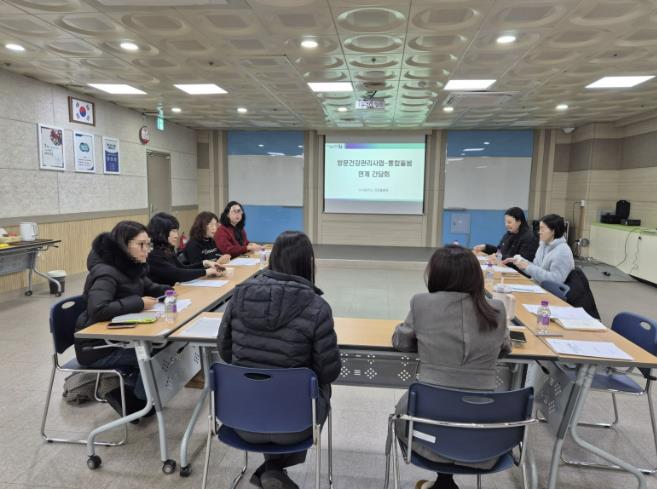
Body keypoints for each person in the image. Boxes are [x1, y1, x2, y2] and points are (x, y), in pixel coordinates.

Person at [217, 231, 341, 489]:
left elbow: (225, 352)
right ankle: (273, 468)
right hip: (296, 423)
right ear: (308, 263)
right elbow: (328, 372)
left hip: (240, 419)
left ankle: (272, 468)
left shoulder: (238, 296)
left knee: (265, 378)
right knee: (319, 387)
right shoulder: (317, 307)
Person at [392, 245, 511, 489]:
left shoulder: (422, 304)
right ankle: (445, 482)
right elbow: (505, 348)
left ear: (436, 274)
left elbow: (401, 342)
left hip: (424, 430)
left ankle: (443, 481)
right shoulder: (496, 309)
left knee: (416, 407)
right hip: (485, 435)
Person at [74, 220, 170, 417]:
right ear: (124, 245)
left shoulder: (131, 265)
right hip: (96, 347)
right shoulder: (105, 272)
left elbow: (150, 287)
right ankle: (138, 402)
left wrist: (170, 290)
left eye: (148, 244)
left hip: (118, 337)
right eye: (141, 244)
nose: (146, 250)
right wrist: (139, 303)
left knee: (165, 344)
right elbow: (98, 309)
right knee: (155, 353)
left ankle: (133, 392)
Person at [147, 212, 224, 286]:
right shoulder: (153, 253)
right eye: (173, 231)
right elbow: (177, 274)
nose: (176, 236)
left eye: (177, 231)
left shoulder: (167, 249)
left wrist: (205, 263)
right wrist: (207, 271)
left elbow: (181, 267)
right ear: (161, 232)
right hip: (161, 293)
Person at [512, 213, 574, 284]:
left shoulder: (563, 251)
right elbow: (536, 268)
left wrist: (528, 267)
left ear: (553, 231)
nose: (539, 232)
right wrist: (521, 262)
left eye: (542, 228)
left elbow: (556, 280)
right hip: (537, 286)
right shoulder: (543, 246)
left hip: (549, 290)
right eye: (539, 228)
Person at [473, 207, 538, 264]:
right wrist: (485, 247)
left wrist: (499, 257)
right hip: (504, 267)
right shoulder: (509, 234)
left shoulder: (529, 238)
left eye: (509, 222)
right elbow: (499, 251)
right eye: (505, 222)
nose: (506, 225)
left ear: (519, 222)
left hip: (518, 272)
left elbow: (522, 261)